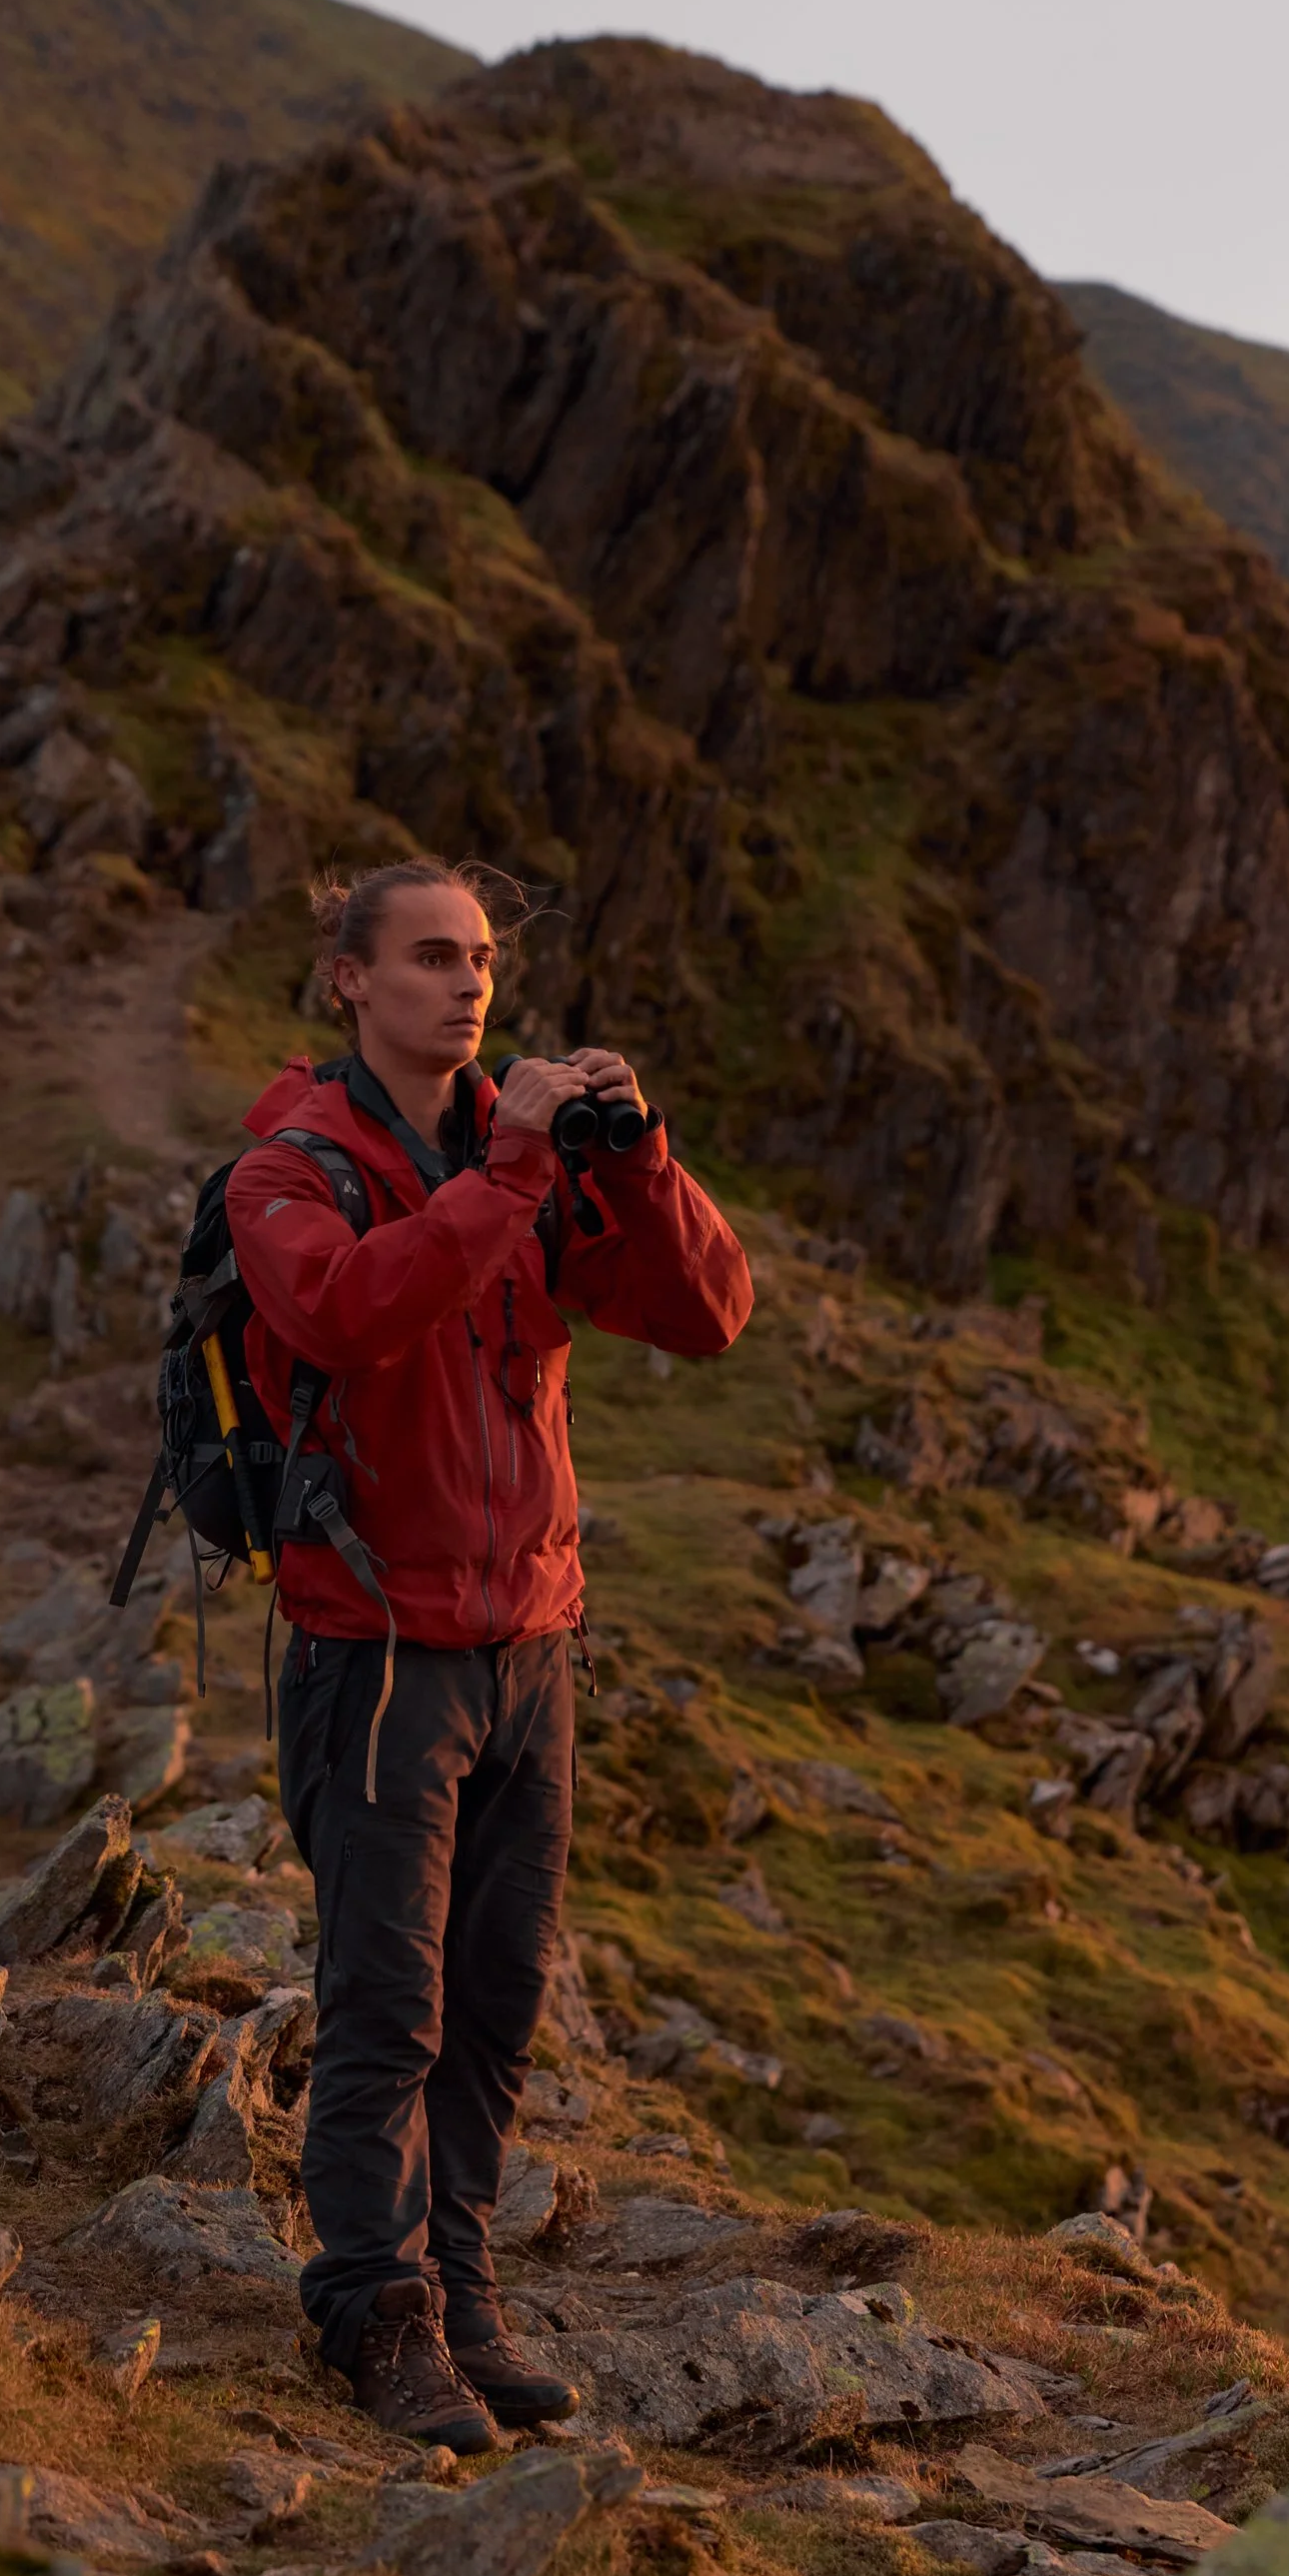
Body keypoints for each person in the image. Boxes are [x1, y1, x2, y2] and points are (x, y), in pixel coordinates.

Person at [226, 857, 753, 2450]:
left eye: (482, 965)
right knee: (389, 2003)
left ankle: (461, 2301)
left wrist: (636, 1154)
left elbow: (709, 1311)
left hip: (531, 1650)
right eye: (431, 958)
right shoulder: (288, 1172)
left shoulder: (515, 1164)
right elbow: (345, 1315)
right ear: (349, 982)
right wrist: (515, 1165)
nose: (467, 987)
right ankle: (374, 2319)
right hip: (376, 1654)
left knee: (497, 2002)